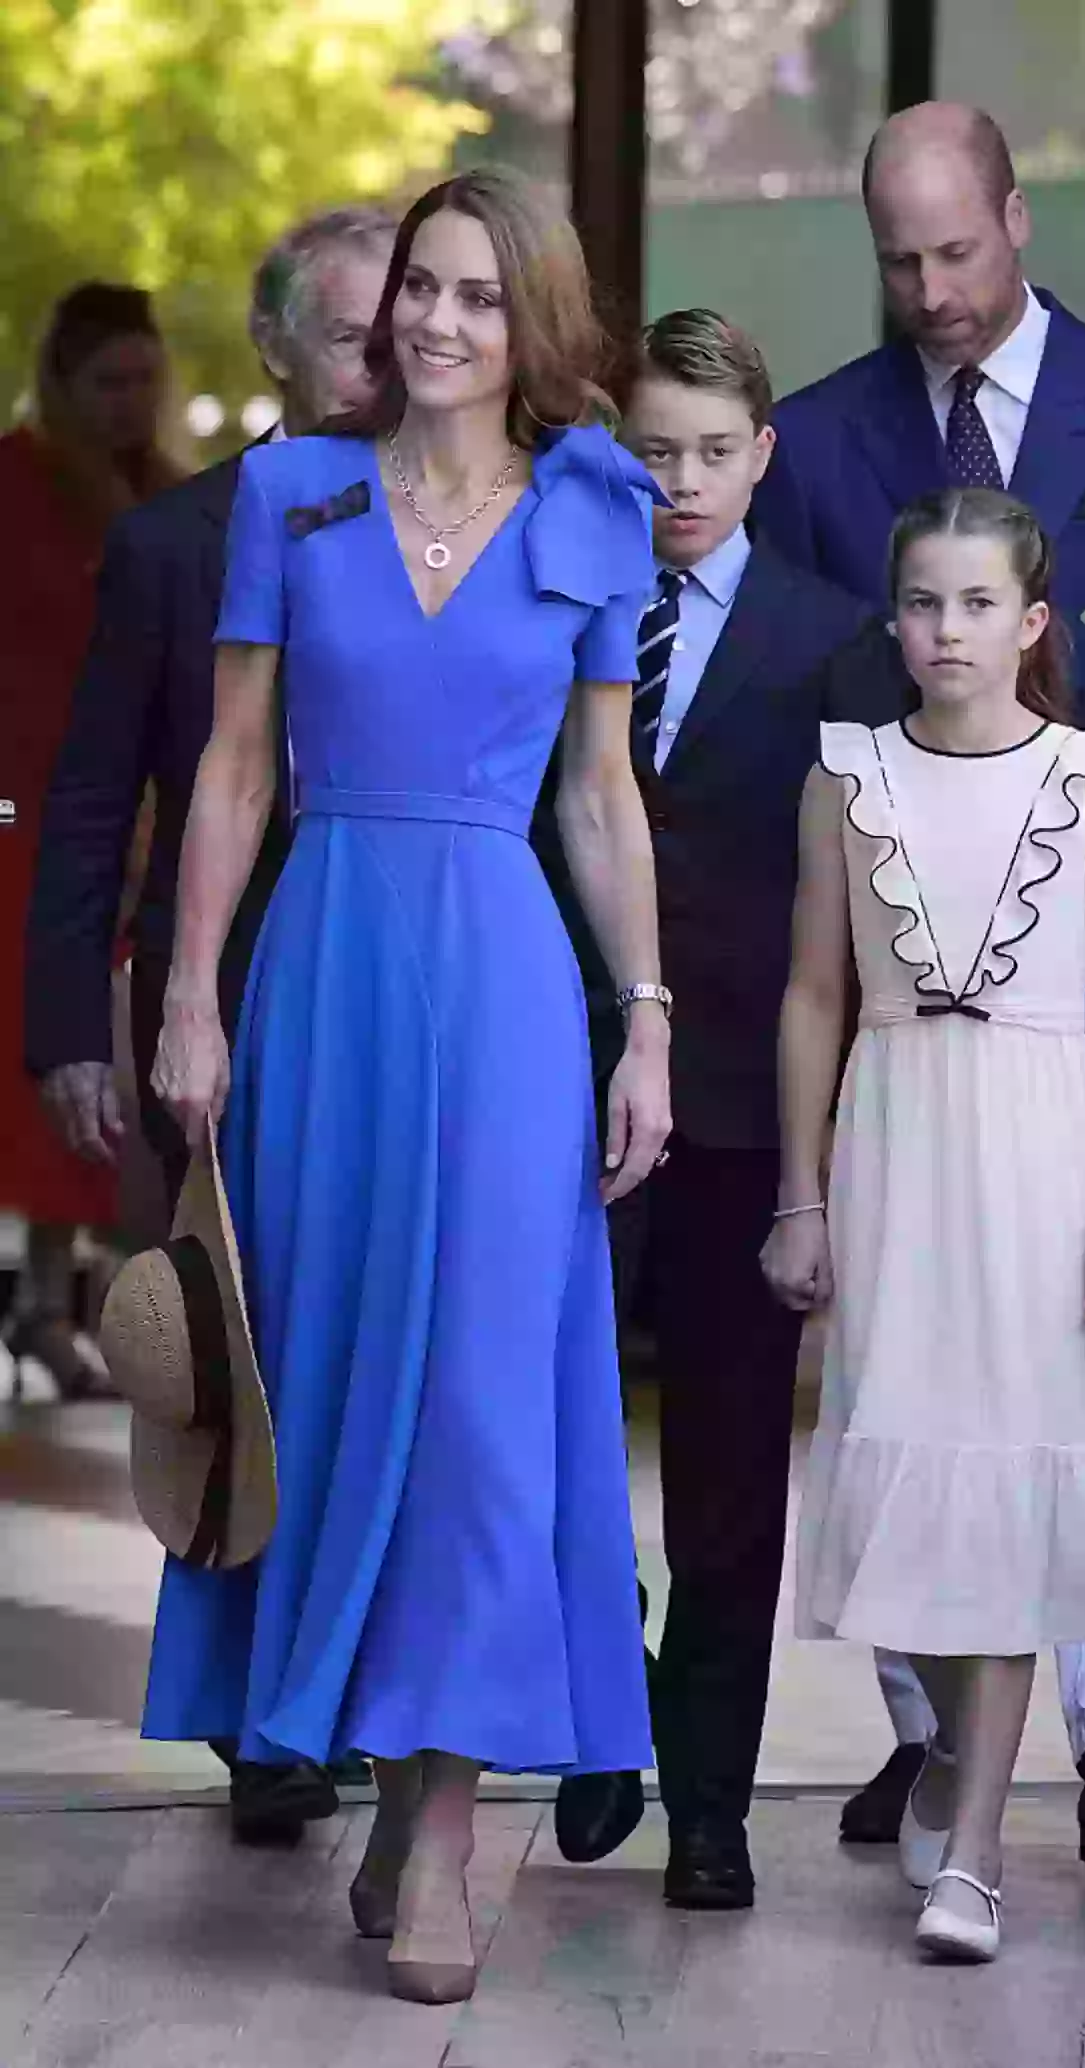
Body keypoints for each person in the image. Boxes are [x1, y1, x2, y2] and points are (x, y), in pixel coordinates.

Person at [143, 167, 669, 2005]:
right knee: (340, 1372)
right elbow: (228, 770)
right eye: (416, 294)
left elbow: (602, 796)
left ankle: (443, 1825)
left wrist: (652, 1019)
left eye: (473, 296)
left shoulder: (599, 508)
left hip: (513, 984)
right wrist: (191, 993)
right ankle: (378, 1769)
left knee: (475, 1392)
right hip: (328, 971)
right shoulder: (291, 501)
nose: (434, 324)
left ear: (535, 325)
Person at [752, 100, 1085, 1869]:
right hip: (911, 1003)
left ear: (1016, 215)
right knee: (908, 1371)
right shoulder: (821, 440)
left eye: (957, 252)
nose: (931, 291)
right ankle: (932, 1728)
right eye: (897, 261)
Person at [25, 205, 397, 1846]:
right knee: (242, 1357)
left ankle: (369, 1687)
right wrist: (70, 1026)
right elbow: (97, 795)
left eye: (411, 326)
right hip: (224, 1000)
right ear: (274, 354)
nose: (389, 361)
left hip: (411, 995)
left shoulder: (483, 521)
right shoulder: (180, 541)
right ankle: (265, 1717)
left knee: (384, 1349)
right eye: (351, 335)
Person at [763, 486, 1085, 1961]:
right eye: (926, 602)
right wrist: (801, 1193)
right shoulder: (849, 775)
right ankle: (942, 1750)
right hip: (898, 1146)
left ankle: (977, 1857)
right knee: (905, 1467)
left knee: (1005, 1479)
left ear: (1033, 622)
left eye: (981, 603)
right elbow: (815, 993)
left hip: (1041, 1147)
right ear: (895, 618)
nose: (950, 629)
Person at [536, 310, 870, 1909]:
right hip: (561, 1081)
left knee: (733, 1469)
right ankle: (600, 1730)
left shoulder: (832, 637)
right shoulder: (558, 601)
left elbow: (852, 914)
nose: (683, 482)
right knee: (549, 1435)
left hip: (745, 1106)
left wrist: (828, 1157)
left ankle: (715, 1804)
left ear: (764, 455)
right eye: (655, 451)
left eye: (714, 452)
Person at [0, 283, 184, 1394]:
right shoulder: (13, 483)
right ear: (62, 385)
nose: (127, 403)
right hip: (13, 811)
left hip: (118, 815)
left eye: (142, 382)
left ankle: (52, 1300)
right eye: (107, 383)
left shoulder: (163, 497)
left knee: (94, 1069)